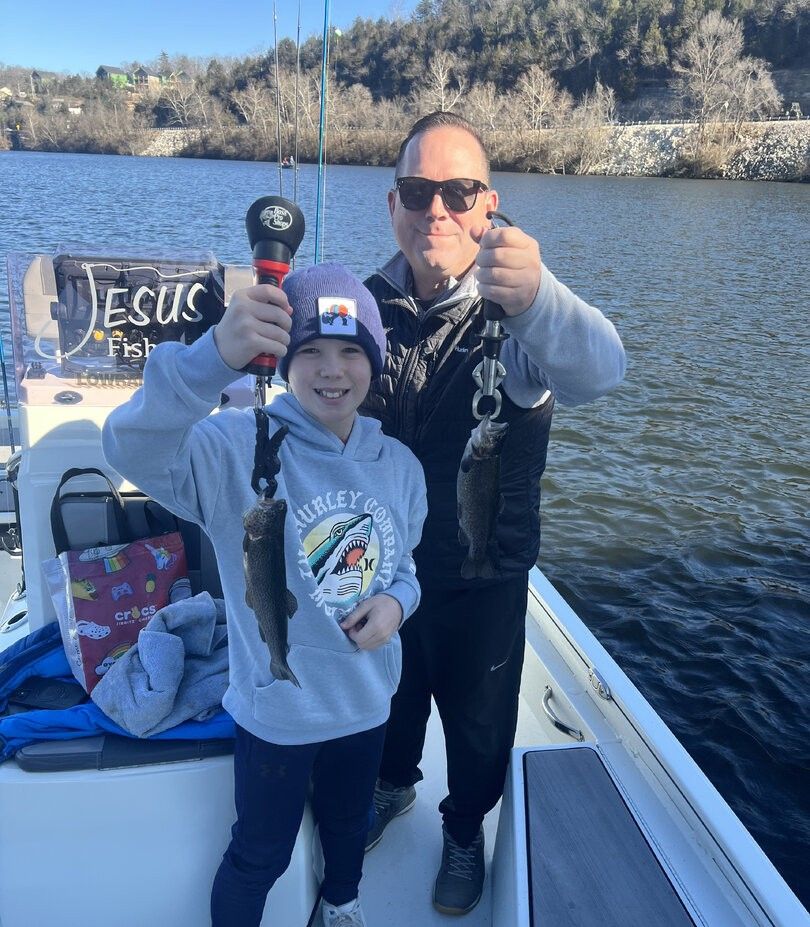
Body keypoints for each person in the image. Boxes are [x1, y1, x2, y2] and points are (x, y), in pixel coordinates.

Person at [355, 111, 627, 916]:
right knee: (391, 705)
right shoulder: (362, 310)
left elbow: (602, 370)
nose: (435, 208)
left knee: (479, 729)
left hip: (484, 575)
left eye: (457, 190)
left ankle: (464, 827)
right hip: (385, 572)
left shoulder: (521, 318)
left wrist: (541, 298)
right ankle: (391, 786)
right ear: (393, 203)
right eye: (417, 189)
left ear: (488, 206)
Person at [102, 263, 427, 927]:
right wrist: (210, 359)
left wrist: (397, 604)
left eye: (349, 351)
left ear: (374, 362)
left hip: (365, 706)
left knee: (349, 829)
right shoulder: (233, 446)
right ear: (282, 361)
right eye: (310, 350)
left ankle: (341, 905)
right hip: (275, 714)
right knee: (258, 853)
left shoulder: (397, 464)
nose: (331, 370)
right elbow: (129, 445)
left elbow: (406, 569)